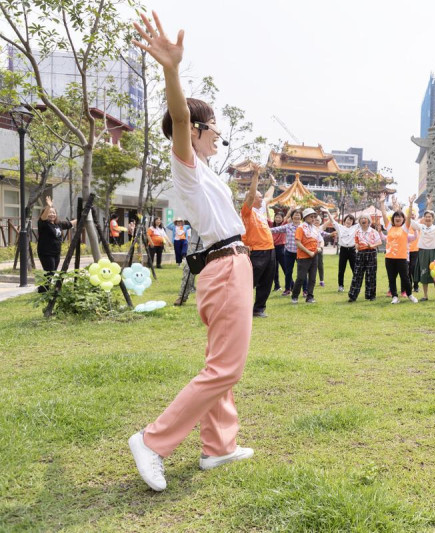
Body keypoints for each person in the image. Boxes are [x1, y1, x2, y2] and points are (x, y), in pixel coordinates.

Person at [129, 12, 253, 492]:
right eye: (215, 128)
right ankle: (153, 441)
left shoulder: (206, 171)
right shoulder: (187, 165)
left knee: (220, 362)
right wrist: (171, 69)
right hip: (223, 269)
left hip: (228, 265)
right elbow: (179, 116)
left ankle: (218, 447)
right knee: (226, 367)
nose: (220, 134)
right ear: (197, 130)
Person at [241, 168, 276, 317]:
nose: (262, 199)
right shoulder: (247, 211)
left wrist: (273, 184)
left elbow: (268, 196)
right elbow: (251, 194)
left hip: (270, 250)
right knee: (250, 282)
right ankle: (241, 308)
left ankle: (258, 309)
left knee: (267, 282)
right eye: (259, 197)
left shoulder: (260, 209)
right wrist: (256, 176)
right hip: (256, 251)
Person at [379, 193, 418, 304]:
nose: (397, 218)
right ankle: (394, 296)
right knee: (391, 278)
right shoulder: (389, 227)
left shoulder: (405, 228)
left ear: (403, 219)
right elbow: (383, 214)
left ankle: (410, 295)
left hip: (402, 258)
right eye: (396, 216)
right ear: (393, 218)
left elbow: (409, 216)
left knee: (405, 278)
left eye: (400, 216)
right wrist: (382, 203)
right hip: (389, 257)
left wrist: (410, 204)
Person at [36, 196, 76, 292]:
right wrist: (49, 206)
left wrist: (83, 216)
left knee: (52, 272)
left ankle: (44, 288)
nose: (52, 214)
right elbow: (43, 218)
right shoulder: (43, 224)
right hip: (46, 252)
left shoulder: (58, 224)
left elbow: (70, 224)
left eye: (53, 213)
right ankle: (43, 289)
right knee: (50, 271)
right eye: (50, 213)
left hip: (56, 252)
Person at [411, 197, 435, 301]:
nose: (428, 218)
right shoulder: (420, 226)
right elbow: (410, 220)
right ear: (424, 218)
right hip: (422, 252)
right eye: (426, 217)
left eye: (430, 217)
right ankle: (425, 295)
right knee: (424, 273)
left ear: (433, 218)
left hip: (434, 252)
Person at [348, 213, 382, 302]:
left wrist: (372, 245)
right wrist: (356, 245)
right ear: (359, 221)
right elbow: (356, 241)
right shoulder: (357, 232)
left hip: (371, 253)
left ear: (368, 221)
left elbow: (379, 242)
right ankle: (352, 295)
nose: (363, 220)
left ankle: (371, 295)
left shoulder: (373, 231)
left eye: (365, 218)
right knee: (357, 274)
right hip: (360, 253)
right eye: (361, 219)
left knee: (371, 274)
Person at [291, 208, 322, 304]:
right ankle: (294, 296)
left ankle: (310, 297)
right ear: (305, 217)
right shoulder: (301, 227)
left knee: (312, 278)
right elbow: (297, 242)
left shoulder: (315, 229)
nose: (313, 218)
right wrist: (308, 252)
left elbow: (320, 240)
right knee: (301, 277)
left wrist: (319, 248)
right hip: (303, 256)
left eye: (314, 217)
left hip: (314, 255)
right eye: (311, 216)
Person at [270, 208, 302, 295]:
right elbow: (274, 229)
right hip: (288, 252)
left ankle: (304, 290)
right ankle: (287, 289)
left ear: (301, 217)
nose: (297, 216)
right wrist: (263, 229)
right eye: (295, 214)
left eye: (298, 215)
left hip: (300, 252)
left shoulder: (303, 227)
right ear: (291, 217)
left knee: (301, 272)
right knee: (288, 271)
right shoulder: (288, 226)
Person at [327, 209, 357, 292]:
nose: (349, 221)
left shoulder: (355, 228)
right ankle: (340, 286)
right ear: (344, 220)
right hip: (343, 250)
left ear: (353, 222)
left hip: (352, 250)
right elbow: (332, 221)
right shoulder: (340, 227)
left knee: (354, 268)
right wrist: (328, 212)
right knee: (341, 269)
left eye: (351, 220)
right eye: (348, 219)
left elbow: (363, 222)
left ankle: (356, 285)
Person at [270, 210, 286, 292]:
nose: (278, 219)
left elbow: (288, 218)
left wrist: (291, 210)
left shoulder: (283, 225)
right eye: (276, 217)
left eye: (280, 217)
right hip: (273, 248)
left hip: (281, 248)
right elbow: (266, 217)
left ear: (283, 219)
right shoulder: (271, 225)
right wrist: (265, 206)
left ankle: (291, 285)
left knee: (285, 267)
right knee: (274, 268)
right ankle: (277, 286)